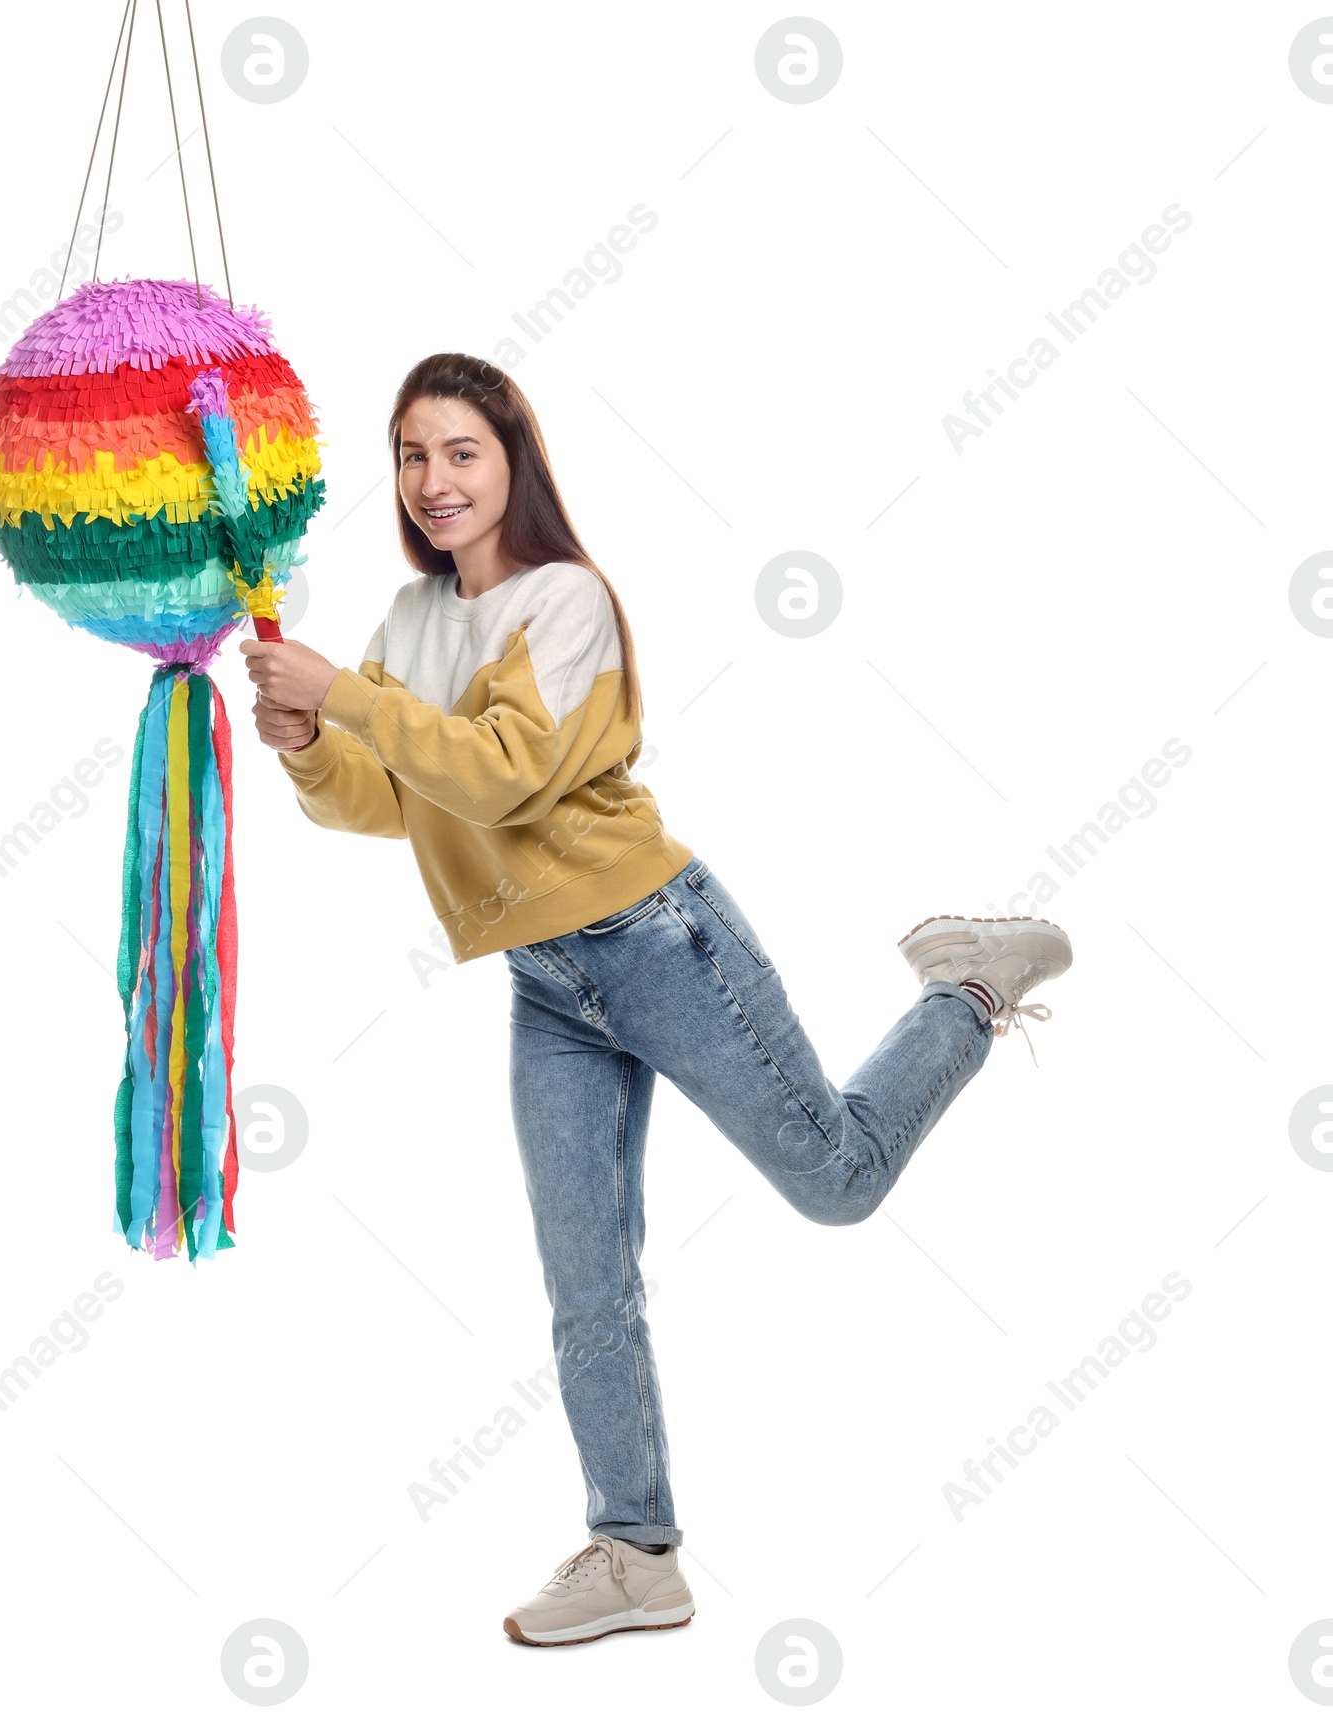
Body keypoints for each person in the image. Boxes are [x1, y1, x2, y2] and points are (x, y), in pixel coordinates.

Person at [240, 352, 1073, 1648]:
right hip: (546, 983)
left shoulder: (564, 603)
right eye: (412, 455)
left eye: (461, 450)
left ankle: (969, 985)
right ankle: (635, 1552)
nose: (434, 478)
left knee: (838, 1182)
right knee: (586, 1282)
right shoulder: (410, 627)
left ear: (511, 460)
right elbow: (399, 797)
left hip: (652, 938)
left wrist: (342, 701)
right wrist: (310, 751)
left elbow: (507, 776)